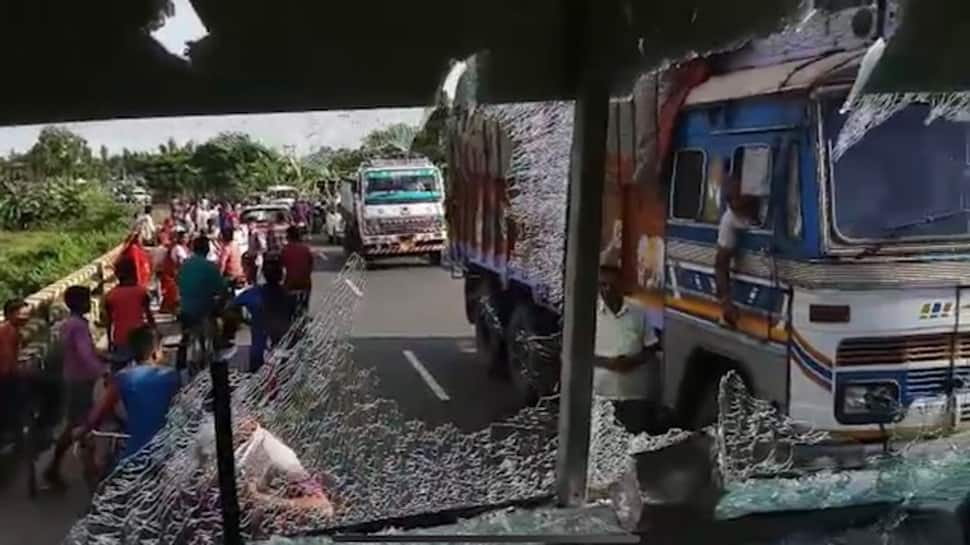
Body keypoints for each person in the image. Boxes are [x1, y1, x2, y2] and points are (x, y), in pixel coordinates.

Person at [75, 326, 180, 465]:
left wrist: (84, 429)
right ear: (156, 352)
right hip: (168, 451)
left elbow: (101, 411)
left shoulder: (123, 378)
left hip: (135, 455)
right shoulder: (172, 376)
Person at [45, 285, 108, 488]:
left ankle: (57, 468)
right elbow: (84, 354)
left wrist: (101, 356)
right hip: (80, 380)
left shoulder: (70, 324)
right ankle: (88, 471)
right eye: (87, 300)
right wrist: (102, 370)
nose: (90, 303)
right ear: (80, 303)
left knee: (76, 423)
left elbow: (82, 351)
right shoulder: (78, 326)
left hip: (73, 377)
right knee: (83, 424)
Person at [593, 264, 661, 434]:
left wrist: (632, 363)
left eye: (611, 285)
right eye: (602, 285)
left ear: (621, 286)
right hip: (602, 397)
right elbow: (578, 352)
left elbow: (651, 346)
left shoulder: (639, 311)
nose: (606, 290)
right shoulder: (589, 313)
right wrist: (609, 363)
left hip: (634, 397)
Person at [229, 259, 295, 372]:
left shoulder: (254, 294)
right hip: (282, 350)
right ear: (282, 276)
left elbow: (231, 306)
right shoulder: (289, 296)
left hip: (259, 353)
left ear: (263, 275)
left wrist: (245, 321)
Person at [714, 172, 761, 328]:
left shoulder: (765, 204)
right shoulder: (729, 220)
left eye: (742, 200)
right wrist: (726, 302)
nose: (737, 205)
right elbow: (721, 264)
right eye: (733, 202)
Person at [176, 237, 228, 373]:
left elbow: (179, 284)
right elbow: (220, 289)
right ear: (207, 249)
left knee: (185, 335)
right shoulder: (210, 267)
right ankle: (218, 354)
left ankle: (179, 363)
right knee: (216, 324)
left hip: (185, 309)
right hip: (205, 309)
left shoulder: (185, 265)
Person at [105, 258, 156, 359]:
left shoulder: (110, 295)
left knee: (121, 370)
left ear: (117, 274)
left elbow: (109, 322)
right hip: (140, 339)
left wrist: (110, 342)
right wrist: (154, 338)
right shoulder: (141, 292)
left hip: (119, 339)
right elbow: (149, 316)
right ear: (133, 272)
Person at [0, 299, 29, 443]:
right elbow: (7, 357)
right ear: (10, 314)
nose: (26, 318)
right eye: (21, 315)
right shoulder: (7, 331)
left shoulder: (13, 330)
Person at [280, 226, 314, 314]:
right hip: (305, 283)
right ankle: (305, 311)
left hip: (290, 283)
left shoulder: (285, 250)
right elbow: (311, 265)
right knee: (305, 299)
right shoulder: (306, 249)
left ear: (288, 236)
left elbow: (281, 266)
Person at [160, 230, 189, 314]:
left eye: (186, 237)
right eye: (184, 238)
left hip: (179, 273)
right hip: (176, 273)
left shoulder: (184, 248)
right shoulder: (177, 248)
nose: (186, 239)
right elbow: (180, 261)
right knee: (174, 292)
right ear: (180, 238)